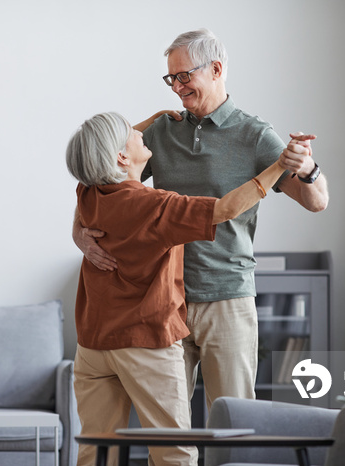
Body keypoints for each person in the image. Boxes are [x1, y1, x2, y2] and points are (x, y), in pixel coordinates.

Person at [73, 29, 329, 413]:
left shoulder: (255, 135)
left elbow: (317, 201)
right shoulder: (161, 132)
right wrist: (79, 234)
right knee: (169, 427)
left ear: (216, 69)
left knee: (234, 418)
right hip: (164, 302)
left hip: (227, 296)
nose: (176, 87)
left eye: (183, 76)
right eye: (171, 78)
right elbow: (99, 175)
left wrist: (307, 167)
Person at [66, 112, 290, 466]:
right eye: (133, 134)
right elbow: (225, 208)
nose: (144, 134)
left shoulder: (90, 192)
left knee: (96, 452)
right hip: (144, 342)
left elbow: (95, 150)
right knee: (174, 452)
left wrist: (155, 118)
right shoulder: (156, 207)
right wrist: (277, 167)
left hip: (92, 345)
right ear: (121, 156)